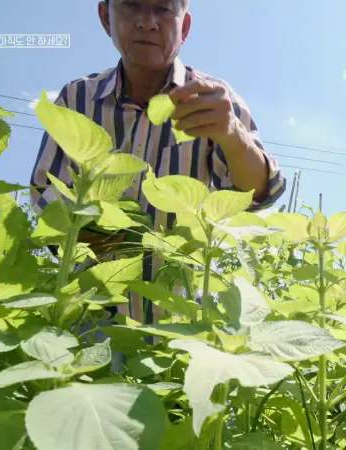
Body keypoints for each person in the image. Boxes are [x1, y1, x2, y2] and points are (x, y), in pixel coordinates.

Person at [30, 0, 285, 323]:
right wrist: (109, 233)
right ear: (106, 16)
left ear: (184, 26)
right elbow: (45, 194)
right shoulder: (78, 99)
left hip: (179, 320)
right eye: (132, 5)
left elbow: (259, 192)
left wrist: (233, 134)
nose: (147, 22)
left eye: (163, 9)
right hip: (89, 316)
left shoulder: (212, 101)